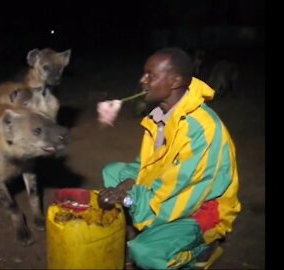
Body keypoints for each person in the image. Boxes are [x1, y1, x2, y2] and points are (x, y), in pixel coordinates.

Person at [98, 48, 241, 269]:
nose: (142, 80)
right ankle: (145, 229)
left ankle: (201, 250)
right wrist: (126, 185)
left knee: (144, 252)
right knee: (112, 172)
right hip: (172, 190)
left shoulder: (200, 132)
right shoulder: (160, 117)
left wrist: (127, 198)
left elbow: (172, 198)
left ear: (174, 81)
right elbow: (145, 165)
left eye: (151, 75)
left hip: (201, 210)